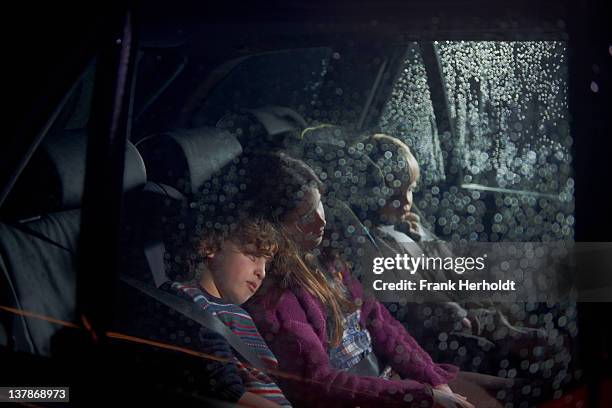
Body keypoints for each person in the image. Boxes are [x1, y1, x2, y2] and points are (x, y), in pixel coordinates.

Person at [240, 151, 509, 408]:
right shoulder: (277, 299)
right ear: (273, 228)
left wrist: (434, 381)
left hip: (396, 385)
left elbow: (380, 322)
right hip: (370, 397)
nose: (321, 220)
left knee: (514, 391)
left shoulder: (325, 258)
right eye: (306, 217)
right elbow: (320, 384)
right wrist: (421, 396)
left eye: (319, 203)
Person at [166, 214, 292, 408]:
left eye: (266, 264)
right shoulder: (191, 301)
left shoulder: (240, 314)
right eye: (253, 256)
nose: (262, 272)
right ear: (211, 247)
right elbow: (225, 387)